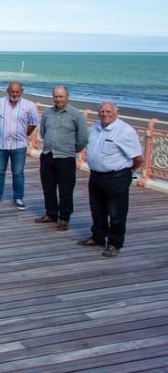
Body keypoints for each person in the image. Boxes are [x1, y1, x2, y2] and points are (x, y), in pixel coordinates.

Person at [77, 102, 143, 258]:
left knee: (116, 213)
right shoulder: (95, 128)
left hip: (116, 177)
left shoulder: (125, 131)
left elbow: (138, 158)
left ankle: (114, 243)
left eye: (108, 111)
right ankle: (98, 237)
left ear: (116, 112)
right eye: (101, 111)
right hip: (96, 176)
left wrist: (127, 172)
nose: (104, 114)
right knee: (97, 210)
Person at [35, 86, 89, 231]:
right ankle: (51, 213)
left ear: (67, 97)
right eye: (56, 97)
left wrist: (71, 149)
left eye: (61, 96)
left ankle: (64, 218)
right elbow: (42, 132)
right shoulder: (47, 113)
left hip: (66, 158)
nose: (58, 99)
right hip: (47, 155)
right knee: (48, 187)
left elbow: (83, 138)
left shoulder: (76, 115)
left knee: (66, 190)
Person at [0, 81, 39, 210]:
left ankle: (18, 197)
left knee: (18, 172)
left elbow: (33, 123)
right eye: (12, 91)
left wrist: (23, 134)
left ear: (22, 92)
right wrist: (0, 132)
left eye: (17, 92)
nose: (14, 94)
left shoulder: (29, 105)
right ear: (7, 91)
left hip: (19, 145)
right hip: (1, 144)